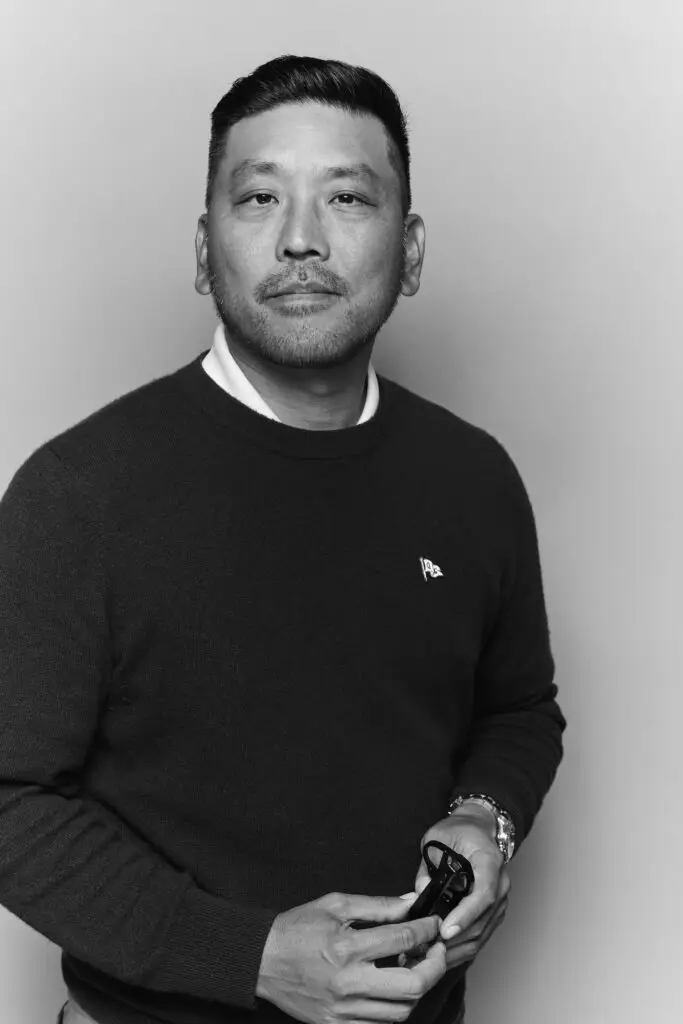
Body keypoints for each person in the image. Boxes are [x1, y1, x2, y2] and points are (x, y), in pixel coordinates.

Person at [0, 55, 565, 1024]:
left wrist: (485, 818)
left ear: (410, 251)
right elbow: (8, 799)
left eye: (346, 196)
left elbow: (518, 709)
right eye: (259, 197)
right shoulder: (77, 495)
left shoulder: (474, 478)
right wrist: (250, 955)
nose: (300, 237)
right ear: (203, 248)